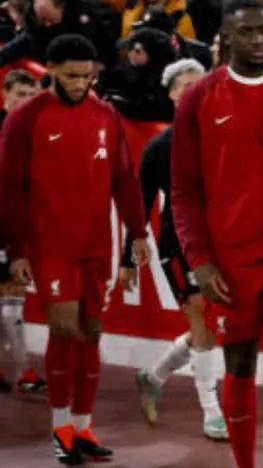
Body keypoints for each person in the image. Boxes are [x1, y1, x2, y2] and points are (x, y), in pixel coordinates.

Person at [170, 0, 263, 468]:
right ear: (226, 38)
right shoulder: (198, 98)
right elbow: (184, 190)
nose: (258, 40)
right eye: (247, 32)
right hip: (229, 259)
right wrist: (200, 259)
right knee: (240, 363)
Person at [0, 34, 150, 465]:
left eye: (87, 76)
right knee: (64, 329)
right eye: (71, 76)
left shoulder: (106, 115)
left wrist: (138, 233)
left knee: (90, 333)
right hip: (50, 246)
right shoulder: (26, 118)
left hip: (95, 245)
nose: (81, 83)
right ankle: (60, 427)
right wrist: (19, 249)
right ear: (50, 72)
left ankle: (83, 426)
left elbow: (124, 179)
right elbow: (10, 188)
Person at [130, 58, 227, 440]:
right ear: (171, 95)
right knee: (201, 317)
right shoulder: (160, 147)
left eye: (198, 84)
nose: (192, 91)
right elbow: (140, 204)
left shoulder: (224, 135)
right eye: (184, 85)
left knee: (208, 327)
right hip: (179, 244)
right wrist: (127, 258)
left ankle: (152, 377)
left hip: (221, 241)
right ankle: (211, 410)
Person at [0, 68, 44, 394]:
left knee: (14, 297)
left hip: (24, 223)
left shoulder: (41, 130)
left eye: (31, 97)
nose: (25, 103)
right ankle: (23, 366)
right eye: (19, 96)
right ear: (5, 95)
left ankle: (23, 368)